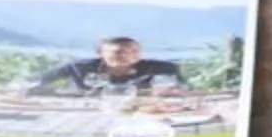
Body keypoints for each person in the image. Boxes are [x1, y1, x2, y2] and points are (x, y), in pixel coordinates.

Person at [27, 35, 189, 99]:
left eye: (134, 52)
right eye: (119, 52)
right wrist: (42, 89)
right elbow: (34, 81)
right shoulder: (78, 67)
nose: (127, 56)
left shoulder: (161, 68)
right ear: (100, 53)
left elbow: (186, 90)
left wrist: (175, 92)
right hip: (84, 115)